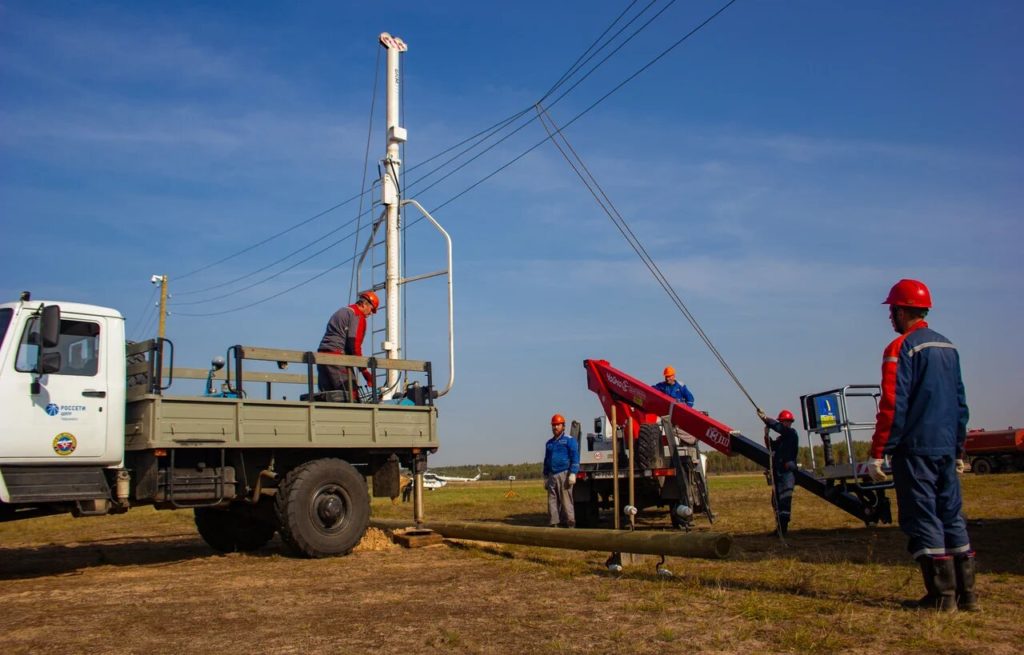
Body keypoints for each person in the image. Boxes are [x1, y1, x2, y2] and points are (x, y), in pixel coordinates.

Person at [868, 278, 976, 612]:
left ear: (901, 310)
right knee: (952, 517)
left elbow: (892, 405)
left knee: (924, 517)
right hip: (945, 448)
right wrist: (958, 448)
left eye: (892, 311)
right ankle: (968, 596)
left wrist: (878, 452)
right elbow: (960, 404)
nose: (890, 318)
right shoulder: (948, 347)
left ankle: (941, 597)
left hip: (915, 450)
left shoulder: (900, 348)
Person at [316, 290, 380, 398]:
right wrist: (365, 372)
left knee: (327, 398)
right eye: (372, 309)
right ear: (364, 304)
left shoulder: (341, 311)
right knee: (351, 395)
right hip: (336, 358)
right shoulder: (357, 315)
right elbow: (354, 345)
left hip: (321, 358)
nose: (371, 313)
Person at [757, 408, 799, 536]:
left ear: (789, 422)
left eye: (784, 422)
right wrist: (766, 436)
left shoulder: (791, 433)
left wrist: (766, 419)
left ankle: (783, 529)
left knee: (784, 500)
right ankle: (779, 527)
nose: (783, 424)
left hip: (787, 473)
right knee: (776, 501)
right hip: (779, 472)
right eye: (781, 421)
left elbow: (779, 428)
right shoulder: (782, 439)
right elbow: (771, 447)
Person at [543, 413, 580, 528]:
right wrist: (545, 476)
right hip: (552, 475)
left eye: (558, 425)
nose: (555, 427)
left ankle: (570, 524)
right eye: (553, 425)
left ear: (563, 426)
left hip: (564, 474)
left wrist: (573, 472)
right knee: (552, 501)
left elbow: (575, 456)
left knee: (566, 501)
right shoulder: (549, 443)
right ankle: (554, 524)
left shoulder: (569, 440)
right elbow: (546, 460)